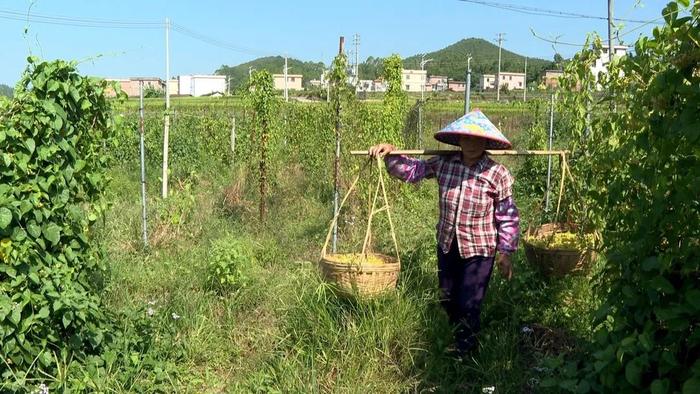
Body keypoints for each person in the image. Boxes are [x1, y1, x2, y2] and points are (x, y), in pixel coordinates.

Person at [368, 109, 520, 357]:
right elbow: (412, 171)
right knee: (447, 296)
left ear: (485, 142)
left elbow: (507, 214)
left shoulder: (497, 174)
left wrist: (506, 252)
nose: (471, 143)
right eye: (466, 138)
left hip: (480, 248)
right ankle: (453, 334)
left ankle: (465, 351)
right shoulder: (444, 163)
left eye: (476, 139)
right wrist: (390, 153)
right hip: (448, 243)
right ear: (458, 140)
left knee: (469, 301)